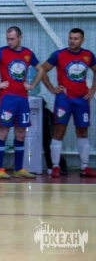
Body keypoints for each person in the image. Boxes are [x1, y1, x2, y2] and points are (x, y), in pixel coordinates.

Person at [0, 26, 44, 179]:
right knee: (4, 131)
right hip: (7, 98)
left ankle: (19, 168)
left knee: (21, 132)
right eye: (8, 39)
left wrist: (33, 85)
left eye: (12, 39)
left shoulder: (28, 53)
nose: (9, 42)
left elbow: (41, 70)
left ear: (20, 38)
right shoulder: (2, 52)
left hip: (23, 98)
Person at [40, 28, 96, 178]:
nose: (72, 41)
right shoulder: (59, 55)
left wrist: (92, 89)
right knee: (59, 130)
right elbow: (42, 70)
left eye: (76, 38)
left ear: (82, 40)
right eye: (71, 38)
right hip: (64, 99)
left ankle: (84, 167)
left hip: (82, 100)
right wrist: (51, 88)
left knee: (83, 132)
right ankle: (55, 166)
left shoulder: (88, 55)